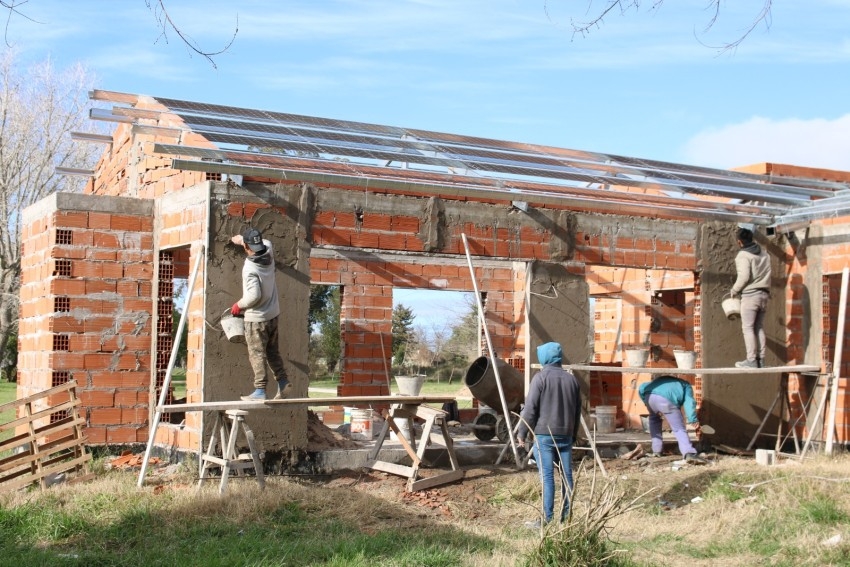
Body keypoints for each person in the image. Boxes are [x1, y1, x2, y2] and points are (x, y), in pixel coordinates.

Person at [516, 342, 581, 528]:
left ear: (544, 357)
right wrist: (573, 434)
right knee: (567, 476)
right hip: (566, 435)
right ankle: (566, 517)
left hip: (545, 435)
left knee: (547, 476)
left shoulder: (540, 378)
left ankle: (547, 518)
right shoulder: (572, 380)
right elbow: (577, 412)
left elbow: (530, 409)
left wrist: (522, 432)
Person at [231, 227, 291, 401]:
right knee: (272, 351)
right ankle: (283, 382)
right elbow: (263, 243)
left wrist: (238, 305)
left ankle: (260, 391)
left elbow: (254, 296)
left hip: (256, 319)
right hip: (273, 315)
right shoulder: (269, 249)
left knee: (256, 353)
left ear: (246, 248)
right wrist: (242, 239)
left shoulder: (249, 268)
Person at [730, 227, 771, 368]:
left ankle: (751, 360)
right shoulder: (765, 254)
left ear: (740, 242)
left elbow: (744, 276)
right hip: (764, 295)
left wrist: (734, 290)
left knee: (748, 328)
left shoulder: (743, 256)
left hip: (750, 296)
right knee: (759, 327)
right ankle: (761, 360)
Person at [639, 375, 704, 463]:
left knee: (654, 421)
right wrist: (693, 419)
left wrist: (646, 403)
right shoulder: (686, 385)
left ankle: (656, 450)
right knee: (678, 428)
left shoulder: (657, 380)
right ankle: (689, 453)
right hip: (666, 401)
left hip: (649, 397)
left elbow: (642, 388)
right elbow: (689, 403)